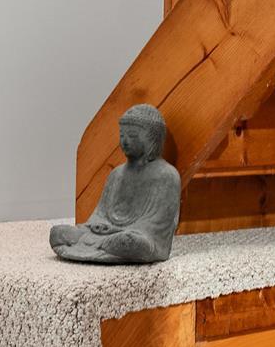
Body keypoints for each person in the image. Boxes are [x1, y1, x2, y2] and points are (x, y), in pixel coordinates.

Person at [50, 104, 182, 264]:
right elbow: (100, 213)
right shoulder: (117, 174)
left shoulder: (167, 175)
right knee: (58, 233)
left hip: (138, 236)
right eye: (122, 135)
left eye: (132, 136)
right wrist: (98, 226)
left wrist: (119, 231)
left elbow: (157, 224)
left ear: (152, 139)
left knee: (130, 242)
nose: (125, 141)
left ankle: (101, 245)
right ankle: (101, 245)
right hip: (105, 233)